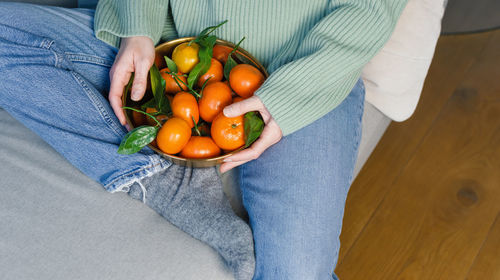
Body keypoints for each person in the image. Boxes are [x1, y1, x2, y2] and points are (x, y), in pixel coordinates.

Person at [0, 0, 407, 279]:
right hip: (175, 47)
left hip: (306, 68)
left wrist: (290, 96)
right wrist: (138, 24)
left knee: (296, 271)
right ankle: (167, 180)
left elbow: (373, 7)